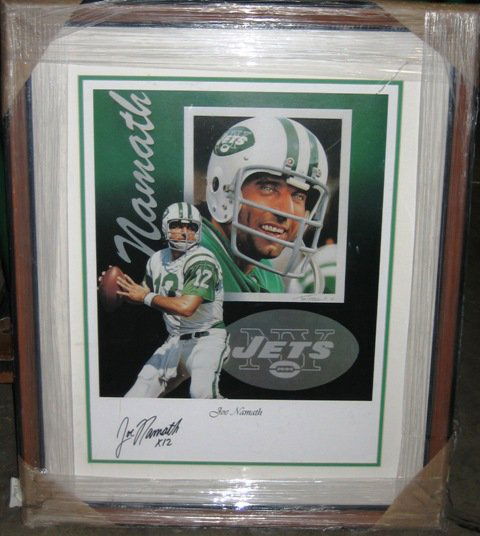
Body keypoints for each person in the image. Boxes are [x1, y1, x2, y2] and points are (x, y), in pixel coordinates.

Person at [200, 116, 331, 293]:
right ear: (223, 187)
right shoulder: (193, 258)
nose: (285, 212)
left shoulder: (268, 274)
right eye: (268, 187)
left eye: (298, 195)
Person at [116, 202, 228, 398]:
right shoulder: (157, 259)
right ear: (165, 227)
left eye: (191, 227)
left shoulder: (202, 260)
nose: (184, 232)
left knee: (202, 394)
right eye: (177, 225)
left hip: (206, 340)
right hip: (174, 341)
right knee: (135, 398)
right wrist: (120, 290)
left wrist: (145, 296)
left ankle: (230, 417)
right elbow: (143, 294)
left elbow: (186, 307)